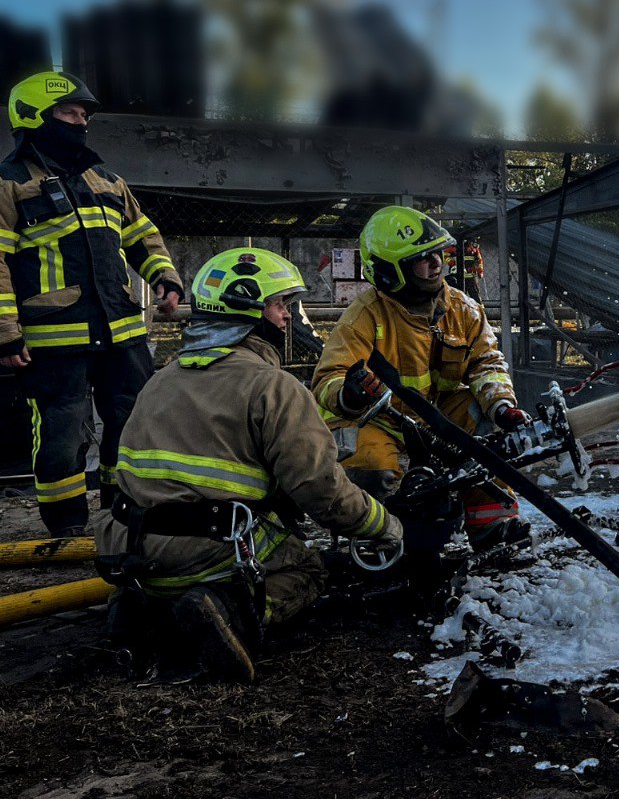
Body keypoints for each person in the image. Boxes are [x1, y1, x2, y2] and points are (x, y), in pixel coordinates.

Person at [94, 248, 401, 683]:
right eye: (280, 305)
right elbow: (320, 490)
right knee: (306, 568)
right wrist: (381, 525)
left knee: (181, 565)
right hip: (201, 552)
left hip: (127, 551)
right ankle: (227, 610)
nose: (288, 317)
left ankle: (140, 608)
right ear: (247, 312)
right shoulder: (272, 387)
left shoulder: (160, 380)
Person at [1, 72, 182, 536]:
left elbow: (143, 236)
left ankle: (120, 518)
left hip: (122, 335)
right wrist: (5, 333)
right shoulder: (9, 184)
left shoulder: (107, 180)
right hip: (53, 341)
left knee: (132, 427)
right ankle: (65, 531)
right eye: (70, 113)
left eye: (85, 116)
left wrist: (165, 278)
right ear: (33, 117)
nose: (81, 123)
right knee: (63, 438)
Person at [312, 206, 530, 552]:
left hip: (433, 420)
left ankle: (492, 525)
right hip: (377, 420)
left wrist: (501, 405)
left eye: (436, 254)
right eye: (421, 258)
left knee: (488, 432)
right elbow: (328, 376)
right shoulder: (365, 315)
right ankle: (381, 537)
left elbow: (487, 363)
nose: (436, 263)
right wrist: (349, 394)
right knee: (373, 468)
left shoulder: (464, 310)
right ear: (389, 271)